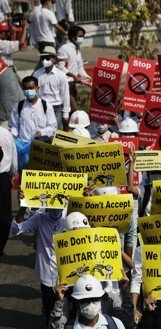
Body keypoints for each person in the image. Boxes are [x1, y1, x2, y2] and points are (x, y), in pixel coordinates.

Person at [11, 200, 66, 326]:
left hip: (67, 277)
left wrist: (86, 200)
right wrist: (23, 207)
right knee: (50, 314)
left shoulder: (69, 217)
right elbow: (15, 229)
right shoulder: (39, 218)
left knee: (67, 314)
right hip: (47, 277)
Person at [9, 75, 57, 172]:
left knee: (38, 173)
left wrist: (42, 132)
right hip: (22, 147)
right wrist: (13, 136)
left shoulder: (46, 106)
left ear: (37, 88)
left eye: (31, 88)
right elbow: (14, 125)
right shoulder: (19, 106)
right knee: (23, 171)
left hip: (40, 146)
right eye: (26, 89)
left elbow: (52, 127)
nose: (29, 91)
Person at [33, 45, 71, 130]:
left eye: (47, 58)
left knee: (54, 133)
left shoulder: (61, 75)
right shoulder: (37, 74)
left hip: (56, 108)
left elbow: (65, 94)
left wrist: (66, 113)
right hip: (41, 108)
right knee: (42, 132)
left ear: (53, 59)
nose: (44, 60)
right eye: (43, 58)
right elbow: (35, 93)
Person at [57, 25, 92, 110]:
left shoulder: (77, 49)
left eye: (83, 36)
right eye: (80, 36)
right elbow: (61, 67)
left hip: (73, 84)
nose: (82, 39)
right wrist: (74, 76)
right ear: (72, 37)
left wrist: (87, 77)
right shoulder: (64, 49)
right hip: (65, 84)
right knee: (74, 108)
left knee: (72, 107)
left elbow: (80, 67)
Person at [0, 125, 16, 257]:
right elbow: (13, 161)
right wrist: (11, 176)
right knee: (4, 216)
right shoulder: (6, 134)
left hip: (4, 177)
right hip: (3, 178)